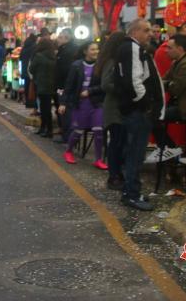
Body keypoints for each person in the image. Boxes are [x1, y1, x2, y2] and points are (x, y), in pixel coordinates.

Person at [115, 18, 165, 211]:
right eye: (146, 30)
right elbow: (134, 80)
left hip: (135, 110)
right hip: (138, 112)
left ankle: (131, 190)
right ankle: (131, 194)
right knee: (135, 153)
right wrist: (145, 104)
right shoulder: (132, 49)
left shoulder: (130, 48)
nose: (150, 34)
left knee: (134, 152)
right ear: (135, 31)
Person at [145, 35, 186, 165]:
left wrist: (168, 84)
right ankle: (169, 147)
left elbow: (174, 89)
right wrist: (168, 83)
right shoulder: (177, 62)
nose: (165, 50)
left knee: (151, 116)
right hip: (183, 105)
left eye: (169, 48)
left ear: (180, 49)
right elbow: (162, 81)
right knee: (150, 114)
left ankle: (170, 148)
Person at [59, 42, 107, 169]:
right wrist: (63, 103)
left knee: (98, 130)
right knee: (78, 131)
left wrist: (90, 91)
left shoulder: (101, 66)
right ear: (85, 51)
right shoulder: (76, 66)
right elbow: (68, 85)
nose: (96, 52)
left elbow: (104, 85)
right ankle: (68, 151)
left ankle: (98, 159)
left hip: (96, 103)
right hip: (80, 104)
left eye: (97, 49)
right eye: (92, 49)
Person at [96, 31, 128, 189]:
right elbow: (106, 84)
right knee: (116, 142)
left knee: (119, 142)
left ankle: (118, 174)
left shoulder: (118, 60)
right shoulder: (112, 61)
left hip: (119, 107)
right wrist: (124, 88)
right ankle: (114, 175)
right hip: (114, 108)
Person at [53, 28, 78, 143]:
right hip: (63, 86)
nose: (58, 39)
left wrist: (61, 87)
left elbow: (65, 70)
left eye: (60, 37)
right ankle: (67, 135)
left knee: (65, 112)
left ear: (66, 38)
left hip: (64, 86)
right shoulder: (64, 49)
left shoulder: (68, 51)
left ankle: (67, 137)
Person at [28, 37, 56, 138]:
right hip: (52, 85)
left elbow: (31, 69)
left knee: (44, 109)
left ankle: (46, 129)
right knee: (47, 108)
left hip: (41, 85)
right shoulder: (54, 56)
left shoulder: (38, 56)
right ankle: (47, 129)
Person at [20, 33, 37, 108]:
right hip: (31, 68)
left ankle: (27, 102)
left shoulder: (24, 46)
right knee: (32, 86)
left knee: (26, 86)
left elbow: (20, 57)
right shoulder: (34, 47)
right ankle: (32, 103)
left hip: (24, 67)